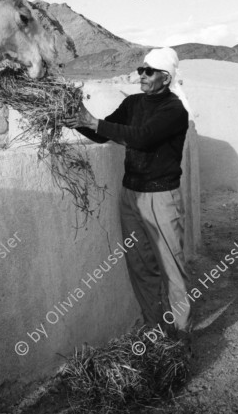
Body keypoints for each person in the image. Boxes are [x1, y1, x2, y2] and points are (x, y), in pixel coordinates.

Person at [64, 47, 193, 355]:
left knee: (172, 270)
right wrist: (75, 116)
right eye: (140, 70)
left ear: (165, 77)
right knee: (141, 266)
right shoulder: (133, 102)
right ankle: (156, 333)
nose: (142, 75)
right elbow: (102, 133)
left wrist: (94, 123)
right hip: (130, 196)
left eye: (148, 71)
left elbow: (143, 137)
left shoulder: (175, 111)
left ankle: (181, 338)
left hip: (162, 198)